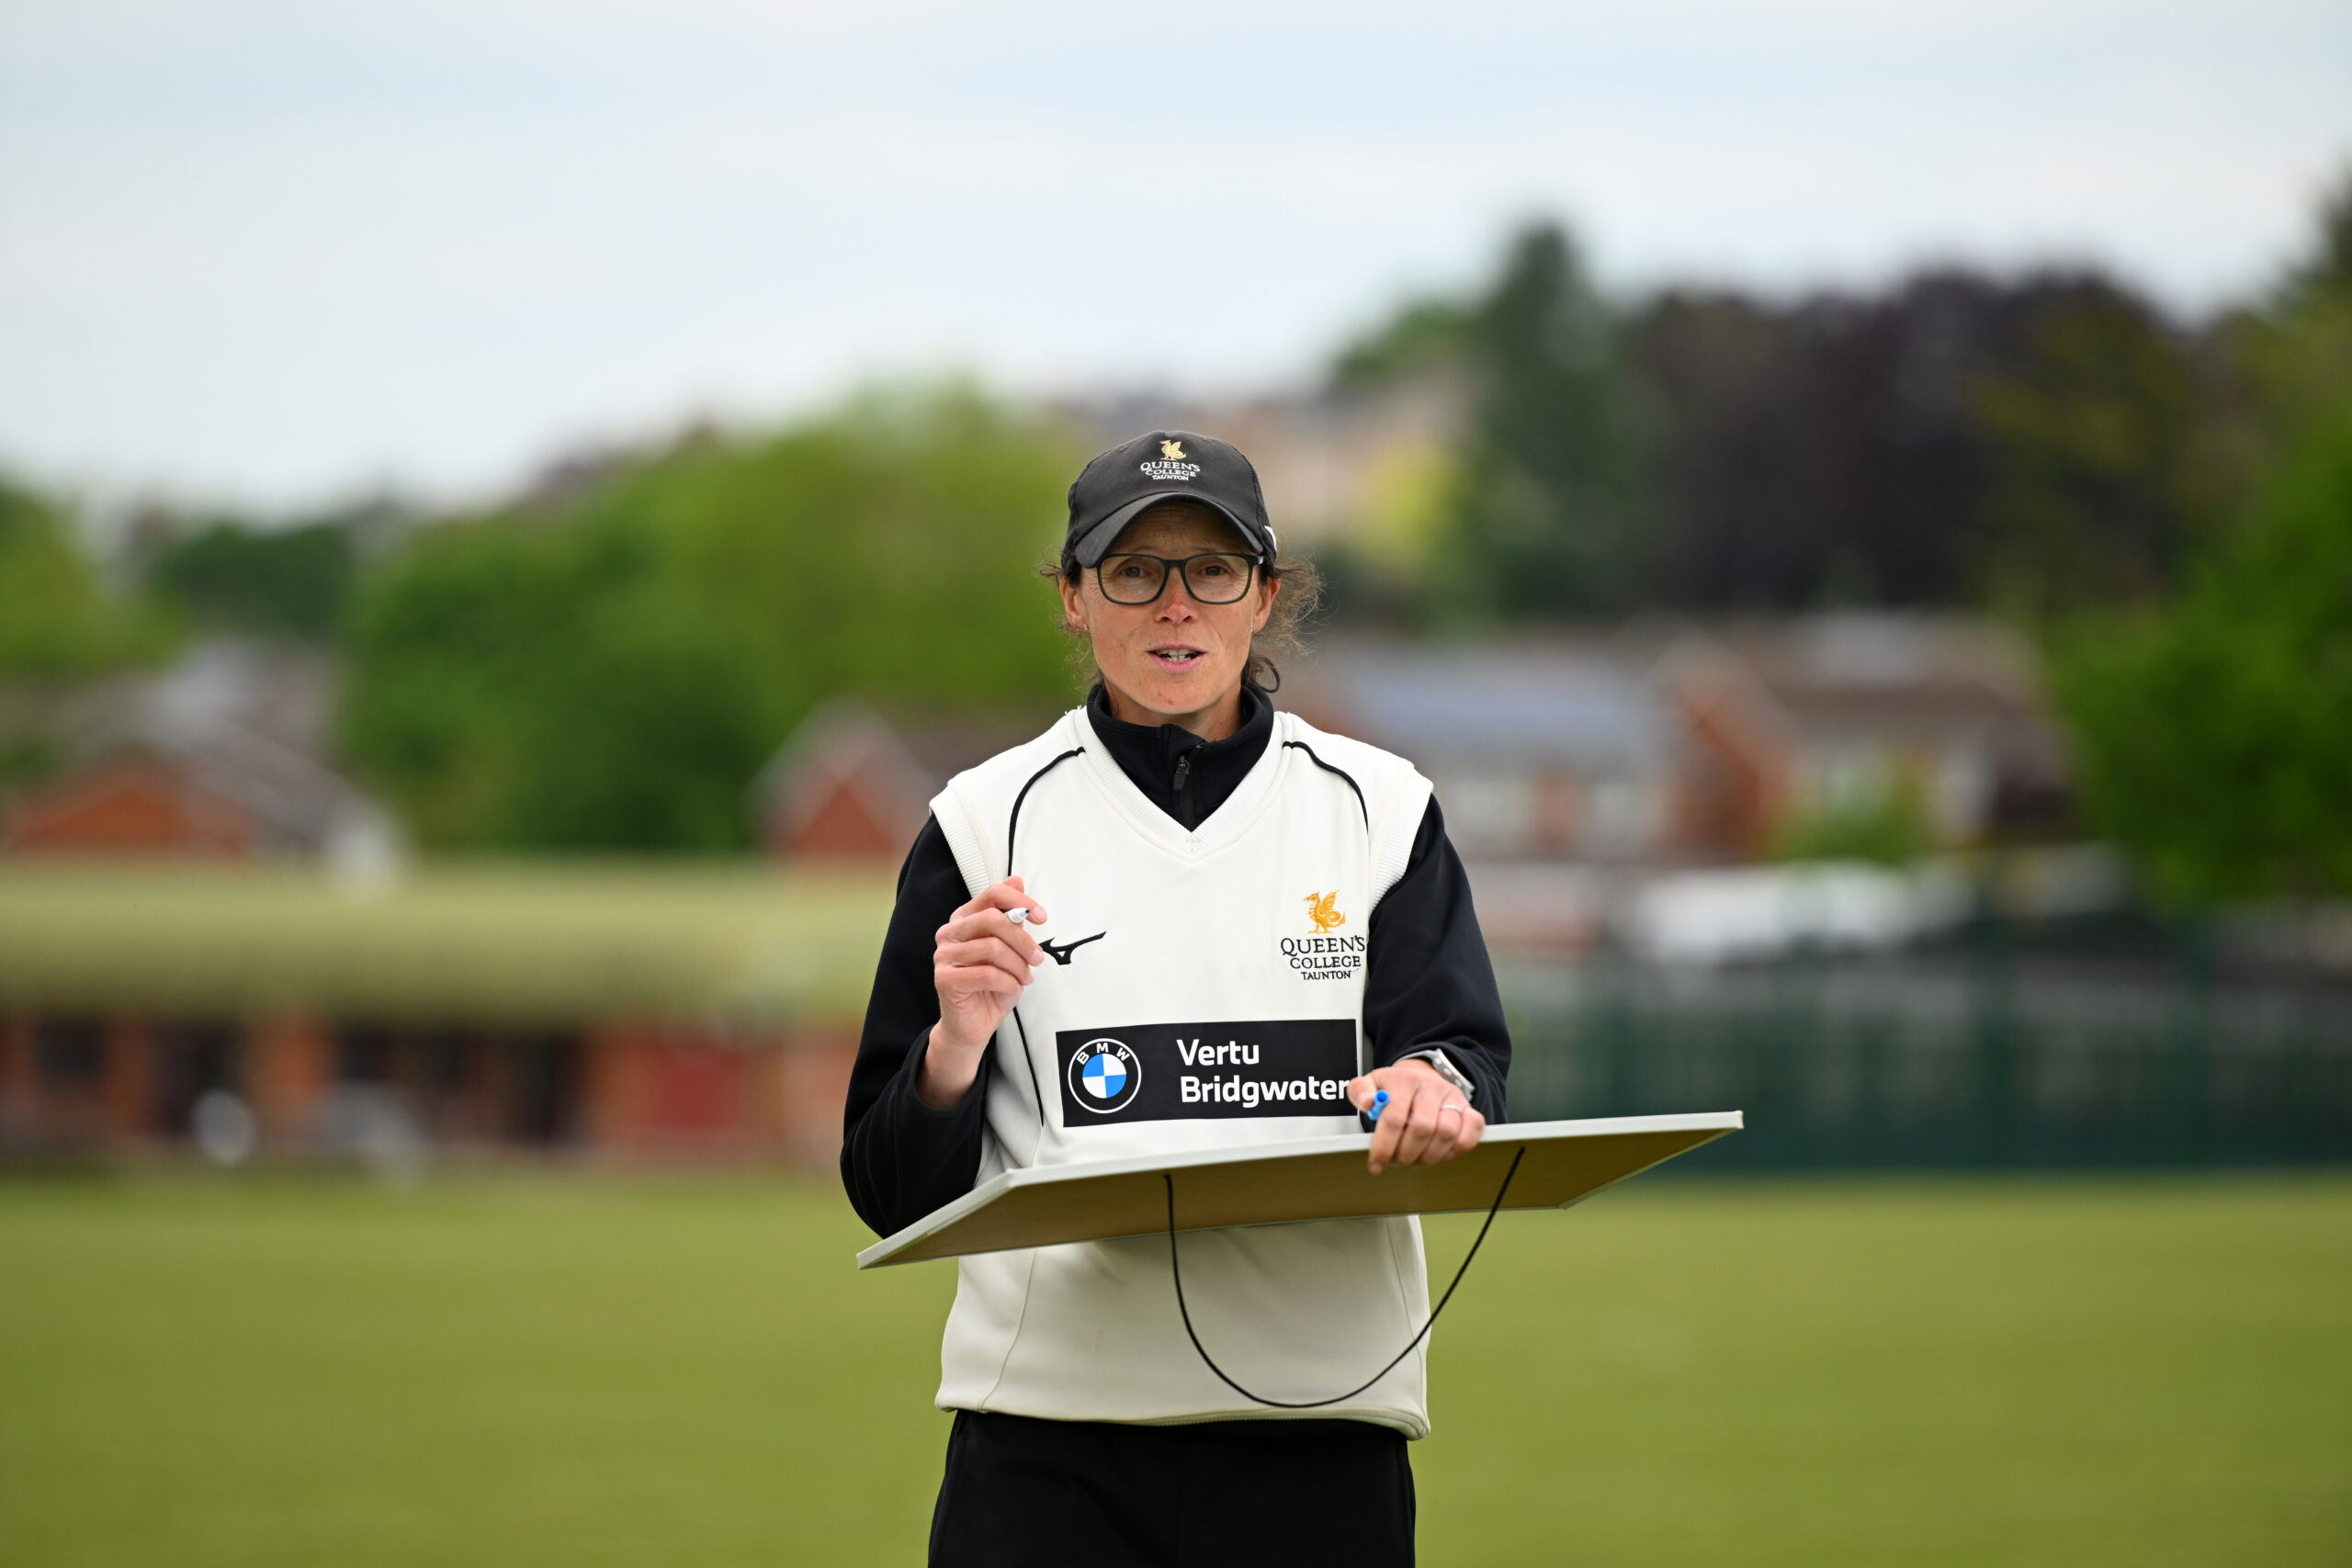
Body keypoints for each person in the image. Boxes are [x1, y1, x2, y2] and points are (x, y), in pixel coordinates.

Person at [841, 430, 1511, 1568]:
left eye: (1210, 570)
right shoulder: (981, 821)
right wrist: (955, 1046)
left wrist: (1430, 1086)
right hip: (1047, 1447)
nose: (1173, 606)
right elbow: (889, 1191)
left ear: (1264, 597)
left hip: (1320, 1432)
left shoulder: (1378, 809)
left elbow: (1461, 1055)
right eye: (1132, 571)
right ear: (1071, 597)